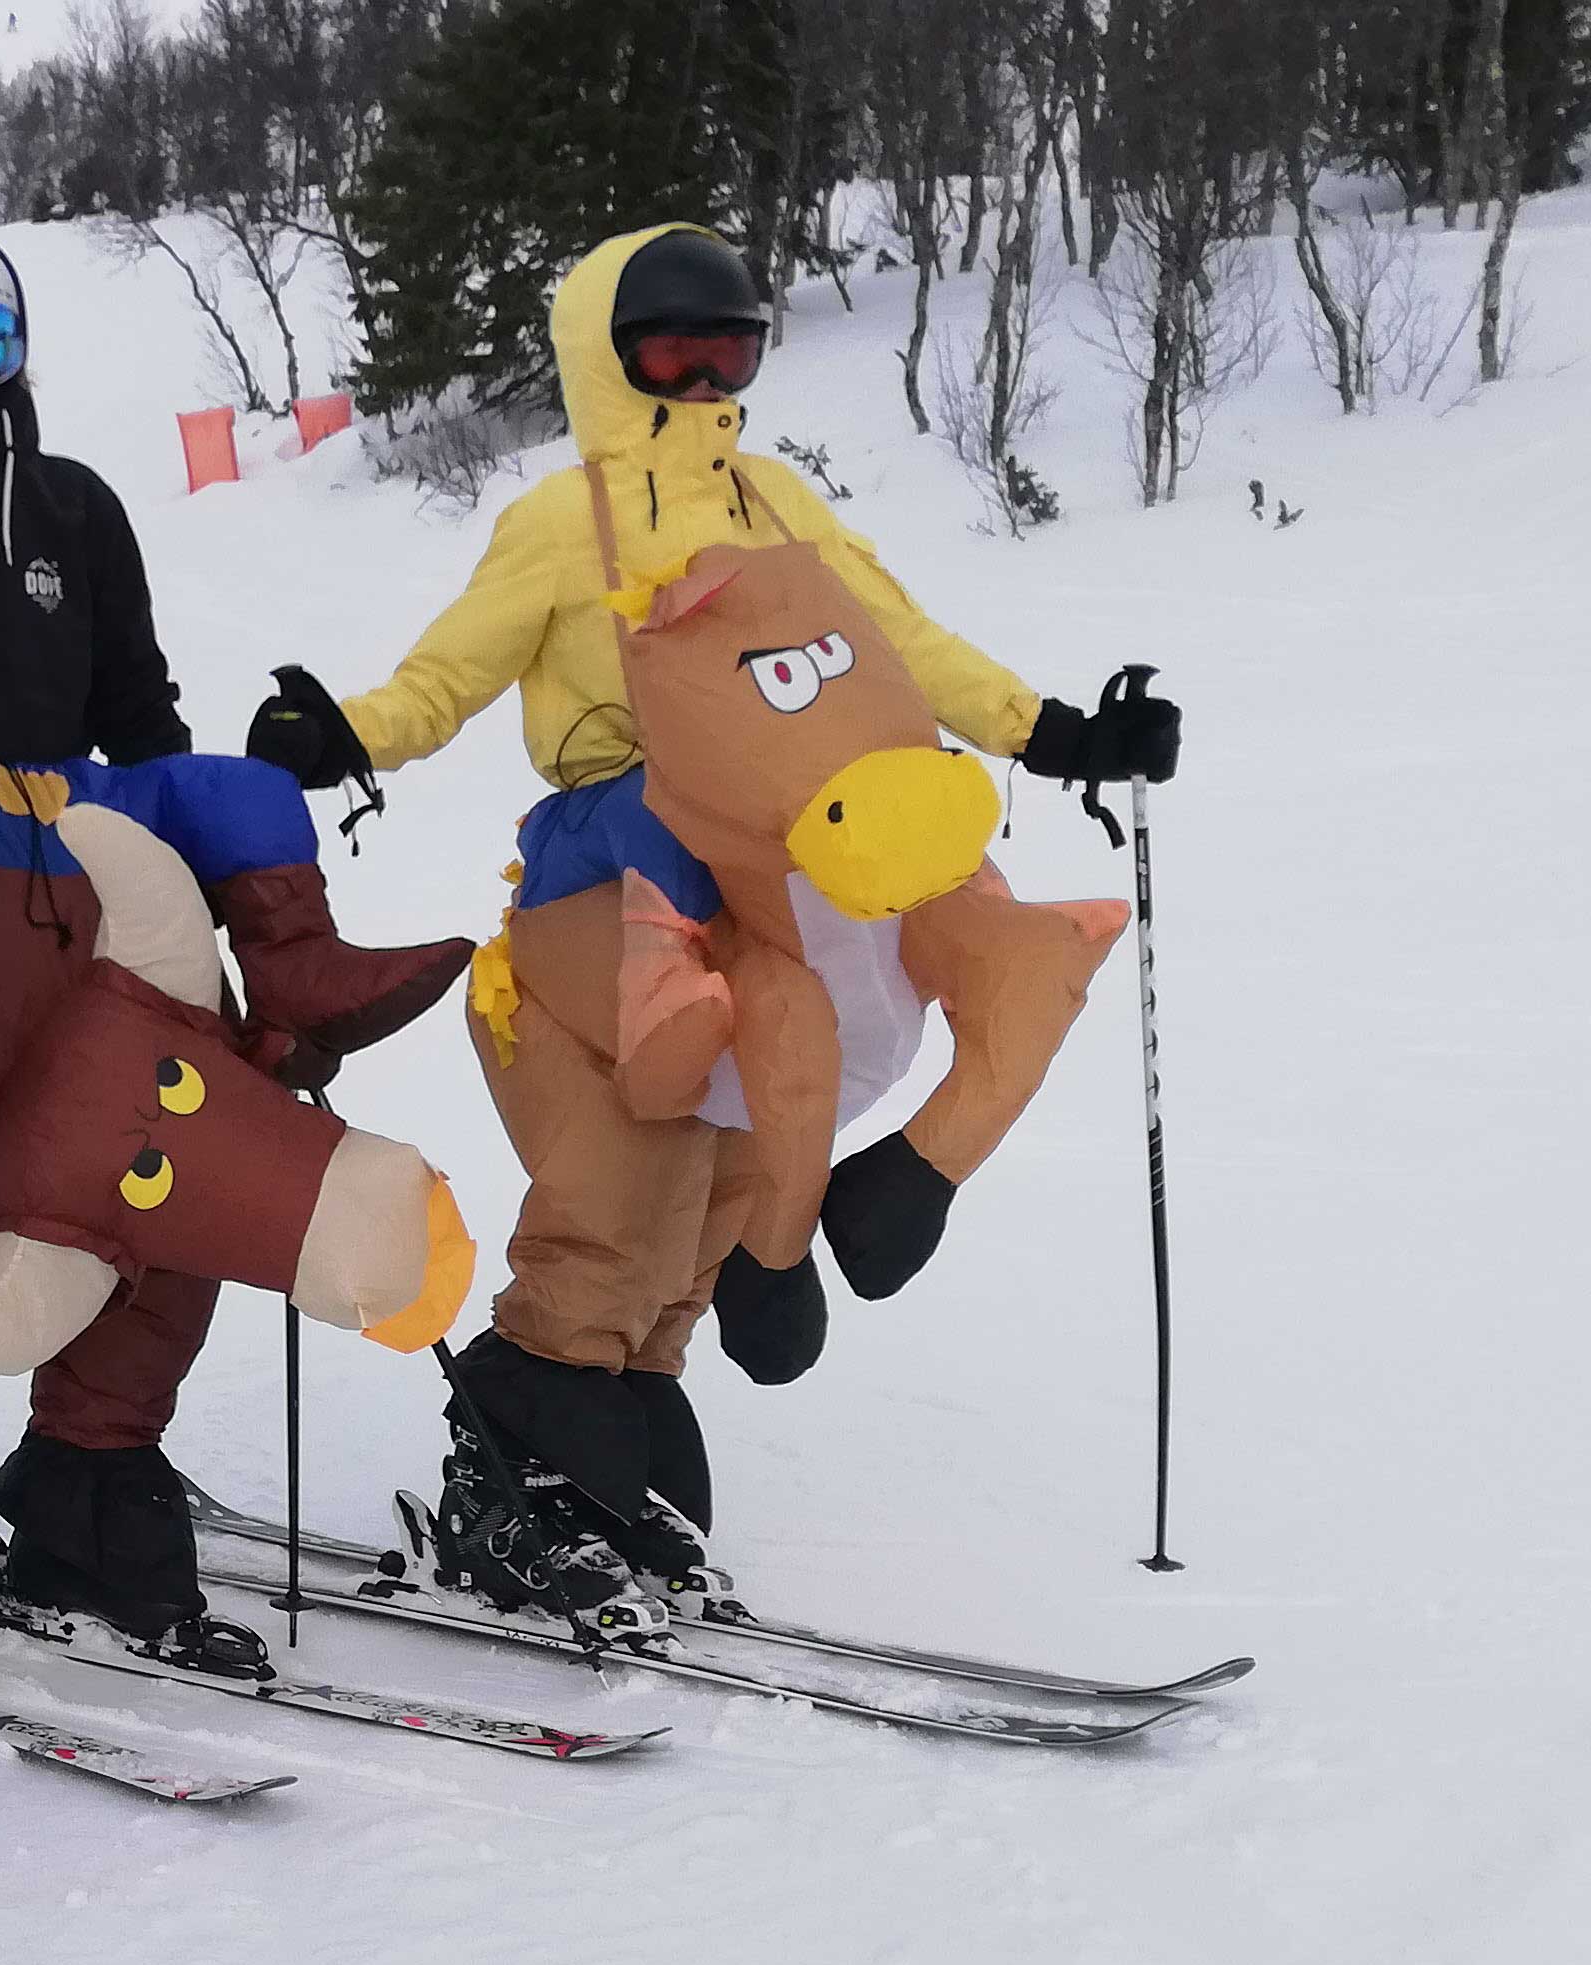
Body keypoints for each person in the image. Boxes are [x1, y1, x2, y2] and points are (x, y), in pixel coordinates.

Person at [243, 223, 1179, 1610]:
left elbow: (903, 647)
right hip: (609, 875)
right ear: (606, 358)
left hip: (760, 872)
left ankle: (621, 1440)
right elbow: (448, 675)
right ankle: (511, 1465)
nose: (702, 381)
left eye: (730, 351)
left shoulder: (782, 504)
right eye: (672, 351)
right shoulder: (565, 522)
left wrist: (1055, 735)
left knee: (722, 1183)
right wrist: (345, 736)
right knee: (624, 1182)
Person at [0, 215, 466, 1679]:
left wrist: (208, 905)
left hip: (98, 890)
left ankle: (88, 1492)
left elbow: (140, 711)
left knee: (157, 1193)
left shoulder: (76, 509)